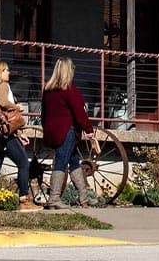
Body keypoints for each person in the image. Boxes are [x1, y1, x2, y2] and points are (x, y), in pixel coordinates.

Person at [0, 60, 40, 211]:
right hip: (2, 135)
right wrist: (17, 106)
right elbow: (5, 104)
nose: (9, 72)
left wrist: (18, 134)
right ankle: (24, 200)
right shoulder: (2, 85)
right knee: (23, 163)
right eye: (6, 70)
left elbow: (4, 116)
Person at [40, 56, 97, 208]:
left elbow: (43, 113)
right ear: (69, 71)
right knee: (61, 162)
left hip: (52, 131)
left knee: (73, 162)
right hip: (67, 131)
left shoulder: (48, 89)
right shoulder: (69, 90)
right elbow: (79, 112)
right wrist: (89, 130)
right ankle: (54, 198)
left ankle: (84, 197)